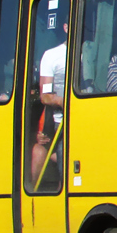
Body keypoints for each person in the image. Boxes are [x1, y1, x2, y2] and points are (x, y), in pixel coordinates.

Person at [31, 13, 67, 185]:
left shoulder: (92, 52)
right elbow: (45, 96)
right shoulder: (52, 55)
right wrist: (65, 102)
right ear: (66, 28)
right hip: (60, 122)